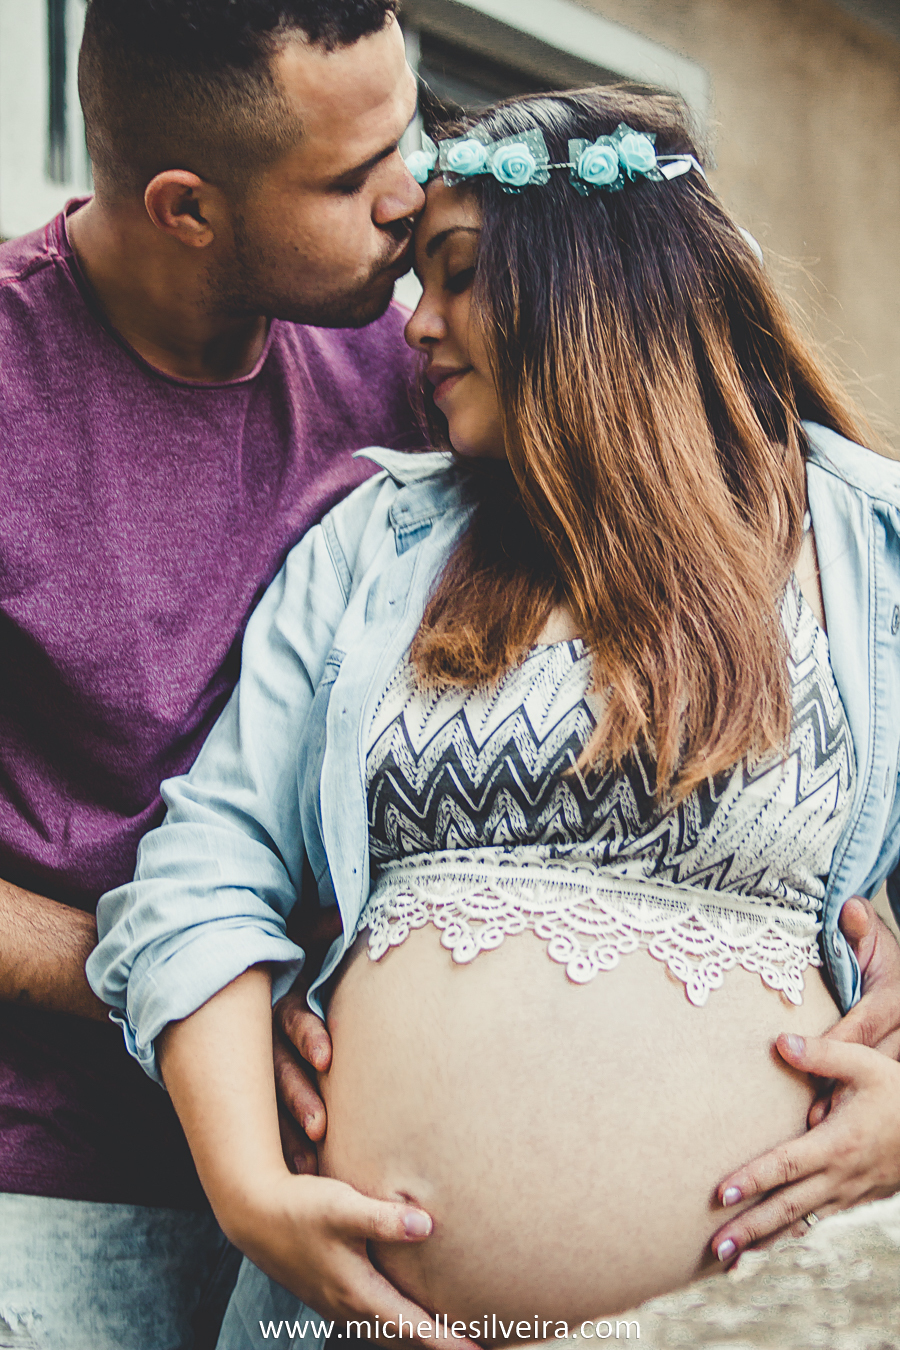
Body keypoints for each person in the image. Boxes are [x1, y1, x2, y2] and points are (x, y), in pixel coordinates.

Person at [88, 88, 900, 1345]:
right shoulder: (372, 543)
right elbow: (202, 874)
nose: (416, 326)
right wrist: (250, 1193)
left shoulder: (866, 548)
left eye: (457, 275)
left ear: (596, 284)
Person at [0, 0, 427, 1345]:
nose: (408, 200)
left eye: (407, 143)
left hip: (357, 1156)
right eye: (353, 179)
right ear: (187, 205)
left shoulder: (420, 363)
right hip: (56, 1179)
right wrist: (203, 980)